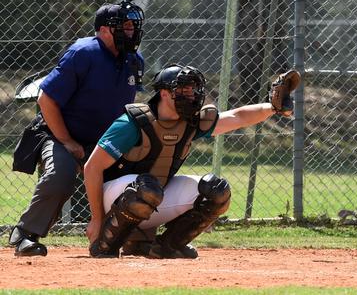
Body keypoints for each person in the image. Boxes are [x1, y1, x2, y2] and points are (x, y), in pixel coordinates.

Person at [82, 65, 299, 258]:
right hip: (113, 198)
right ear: (165, 94)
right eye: (183, 90)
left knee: (216, 190)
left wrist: (272, 108)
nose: (191, 95)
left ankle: (168, 246)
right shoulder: (134, 122)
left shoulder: (191, 122)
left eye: (193, 89)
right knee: (146, 187)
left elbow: (238, 117)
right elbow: (92, 167)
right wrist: (96, 219)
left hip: (152, 195)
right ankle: (105, 245)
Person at [8, 0, 145, 257]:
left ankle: (125, 237)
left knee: (134, 181)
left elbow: (127, 104)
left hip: (102, 140)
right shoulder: (83, 53)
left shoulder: (134, 60)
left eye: (133, 26)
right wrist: (68, 142)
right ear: (104, 30)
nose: (131, 32)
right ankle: (25, 234)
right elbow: (45, 100)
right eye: (124, 27)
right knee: (60, 177)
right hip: (59, 134)